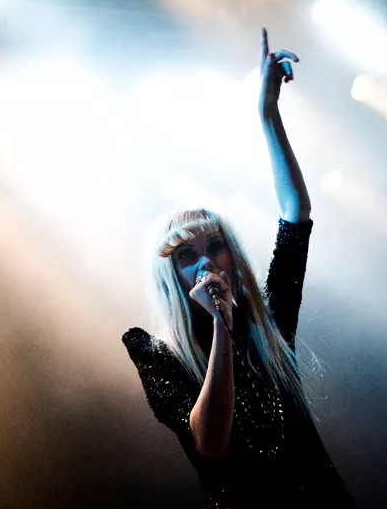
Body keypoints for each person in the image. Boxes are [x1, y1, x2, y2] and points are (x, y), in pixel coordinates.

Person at [122, 29, 355, 508]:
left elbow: (296, 214)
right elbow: (210, 443)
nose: (206, 260)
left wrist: (268, 114)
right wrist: (220, 327)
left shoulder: (268, 326)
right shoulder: (157, 355)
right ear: (170, 277)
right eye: (186, 255)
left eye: (216, 247)